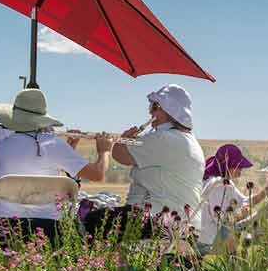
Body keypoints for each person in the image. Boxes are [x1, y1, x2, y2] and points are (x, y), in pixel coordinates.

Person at [0, 87, 110, 245]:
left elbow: (40, 164)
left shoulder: (3, 146)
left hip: (5, 226)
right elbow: (98, 175)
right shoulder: (54, 145)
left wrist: (69, 147)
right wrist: (105, 151)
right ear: (42, 120)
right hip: (47, 229)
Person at [84, 84, 204, 241]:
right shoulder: (188, 140)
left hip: (159, 218)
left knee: (93, 220)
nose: (150, 111)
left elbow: (120, 156)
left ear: (170, 110)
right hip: (184, 220)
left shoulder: (163, 138)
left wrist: (118, 142)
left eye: (155, 107)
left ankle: (98, 264)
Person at [198, 144, 268, 254]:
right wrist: (241, 215)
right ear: (228, 165)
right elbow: (221, 220)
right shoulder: (217, 185)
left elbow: (245, 201)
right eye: (238, 166)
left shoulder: (225, 182)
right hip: (207, 243)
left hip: (209, 238)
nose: (241, 170)